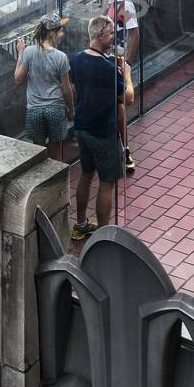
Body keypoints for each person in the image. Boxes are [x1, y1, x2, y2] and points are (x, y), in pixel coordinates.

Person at [69, 15, 127, 241]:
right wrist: (126, 75)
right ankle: (103, 236)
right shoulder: (107, 68)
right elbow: (126, 97)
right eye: (111, 33)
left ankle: (81, 223)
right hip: (103, 131)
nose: (113, 37)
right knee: (107, 182)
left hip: (82, 127)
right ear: (101, 35)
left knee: (86, 174)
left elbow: (77, 86)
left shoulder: (76, 59)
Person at [89, 0, 140, 174]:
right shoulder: (109, 2)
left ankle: (124, 149)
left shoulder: (124, 6)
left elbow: (135, 34)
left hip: (114, 61)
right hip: (103, 58)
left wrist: (126, 63)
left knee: (120, 104)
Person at [14, 16, 74, 162]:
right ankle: (57, 182)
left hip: (34, 109)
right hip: (55, 109)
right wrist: (71, 109)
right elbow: (66, 89)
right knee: (56, 155)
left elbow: (18, 79)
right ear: (52, 34)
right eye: (60, 31)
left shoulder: (29, 52)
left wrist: (20, 54)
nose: (62, 34)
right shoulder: (61, 57)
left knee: (38, 155)